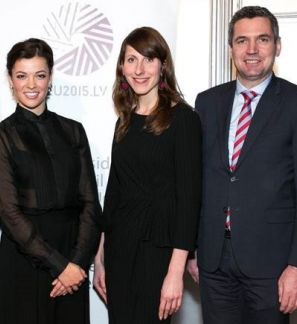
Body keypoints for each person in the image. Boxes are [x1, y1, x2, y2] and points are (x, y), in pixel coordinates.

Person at [190, 6, 297, 324]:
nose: (252, 50)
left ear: (277, 46)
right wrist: (194, 250)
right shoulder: (207, 103)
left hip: (273, 266)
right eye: (242, 41)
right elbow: (199, 182)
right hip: (213, 262)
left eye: (262, 39)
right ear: (231, 49)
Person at [0, 38, 101, 324]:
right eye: (21, 76)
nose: (31, 84)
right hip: (24, 260)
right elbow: (8, 214)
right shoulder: (0, 138)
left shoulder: (74, 131)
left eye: (40, 75)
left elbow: (90, 202)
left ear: (50, 78)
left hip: (73, 256)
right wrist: (61, 267)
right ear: (10, 80)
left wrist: (78, 263)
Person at [93, 26, 202, 323]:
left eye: (148, 59)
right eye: (131, 60)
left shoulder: (184, 120)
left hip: (159, 251)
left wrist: (175, 272)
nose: (139, 69)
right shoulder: (124, 121)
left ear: (162, 66)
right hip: (119, 248)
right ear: (121, 67)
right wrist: (100, 258)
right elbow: (114, 191)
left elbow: (189, 201)